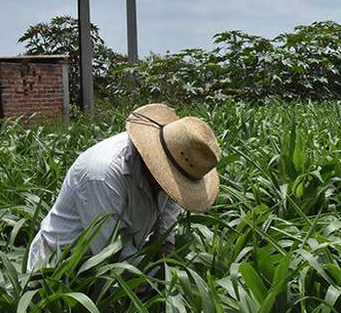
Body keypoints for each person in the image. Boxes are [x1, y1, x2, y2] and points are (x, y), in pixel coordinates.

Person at [26, 103, 221, 271]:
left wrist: (165, 248)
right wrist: (155, 283)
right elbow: (111, 253)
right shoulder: (103, 173)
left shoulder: (177, 161)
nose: (173, 186)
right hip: (62, 272)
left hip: (121, 264)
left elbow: (169, 210)